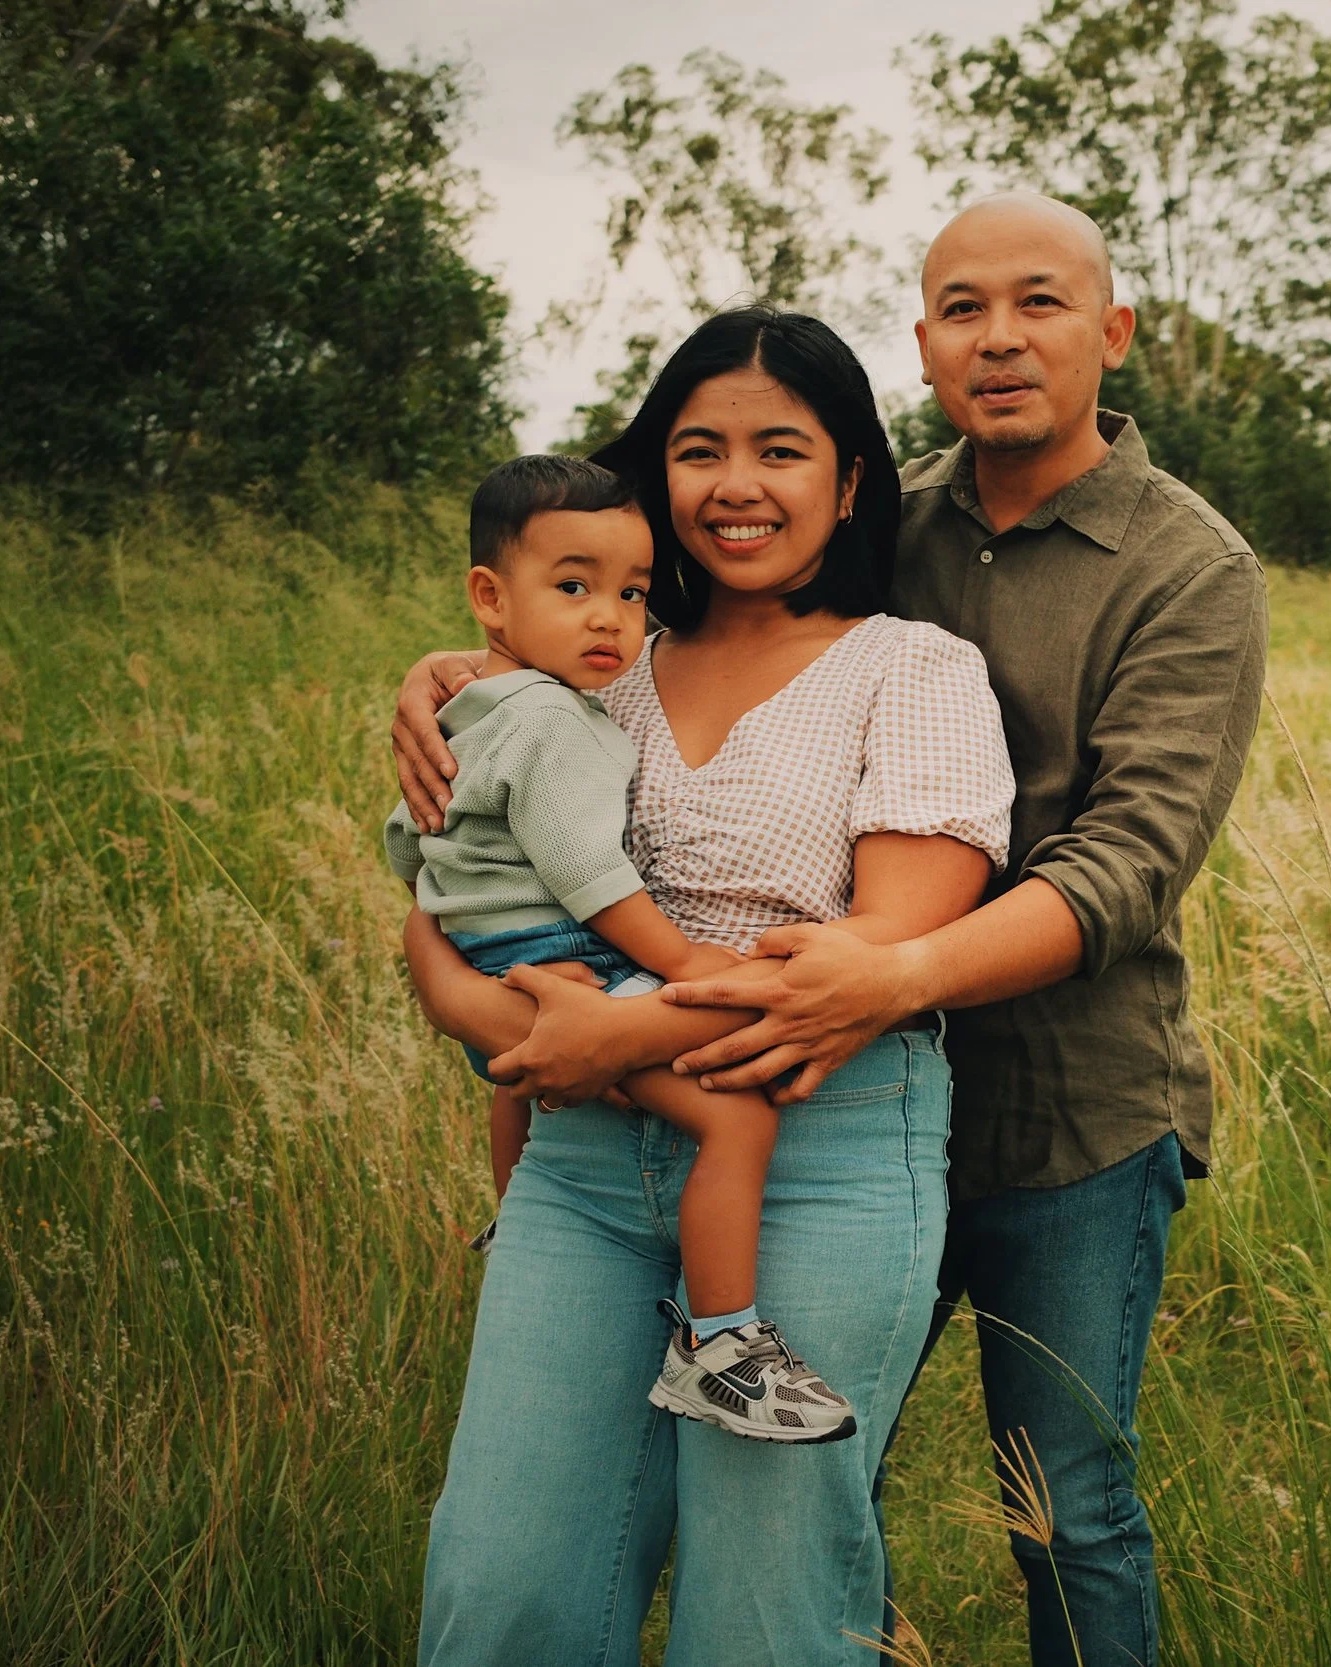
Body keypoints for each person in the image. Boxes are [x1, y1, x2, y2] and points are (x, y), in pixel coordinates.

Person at [396, 193, 1269, 1667]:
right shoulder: (828, 547)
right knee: (583, 1560)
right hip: (674, 1111)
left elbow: (1118, 866)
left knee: (1050, 1504)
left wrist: (660, 1015)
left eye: (1041, 302)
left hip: (1027, 1095)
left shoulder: (1180, 572)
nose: (1001, 337)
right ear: (923, 343)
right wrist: (468, 674)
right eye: (964, 308)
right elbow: (483, 853)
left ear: (1112, 331)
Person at [400, 308, 1016, 1664]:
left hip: (822, 1147)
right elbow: (452, 908)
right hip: (577, 1161)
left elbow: (848, 972)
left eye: (780, 449)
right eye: (698, 449)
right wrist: (482, 1011)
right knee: (501, 1591)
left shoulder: (912, 671)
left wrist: (605, 1025)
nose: (736, 484)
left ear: (851, 480)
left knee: (766, 1609)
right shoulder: (589, 670)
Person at [381, 451, 855, 1443]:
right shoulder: (556, 720)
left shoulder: (467, 710)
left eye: (631, 592)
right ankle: (720, 1344)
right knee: (734, 1119)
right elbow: (590, 872)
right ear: (488, 597)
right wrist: (686, 963)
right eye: (573, 586)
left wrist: (466, 926)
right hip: (564, 954)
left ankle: (515, 1214)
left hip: (490, 960)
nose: (609, 616)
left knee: (520, 1079)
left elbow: (407, 836)